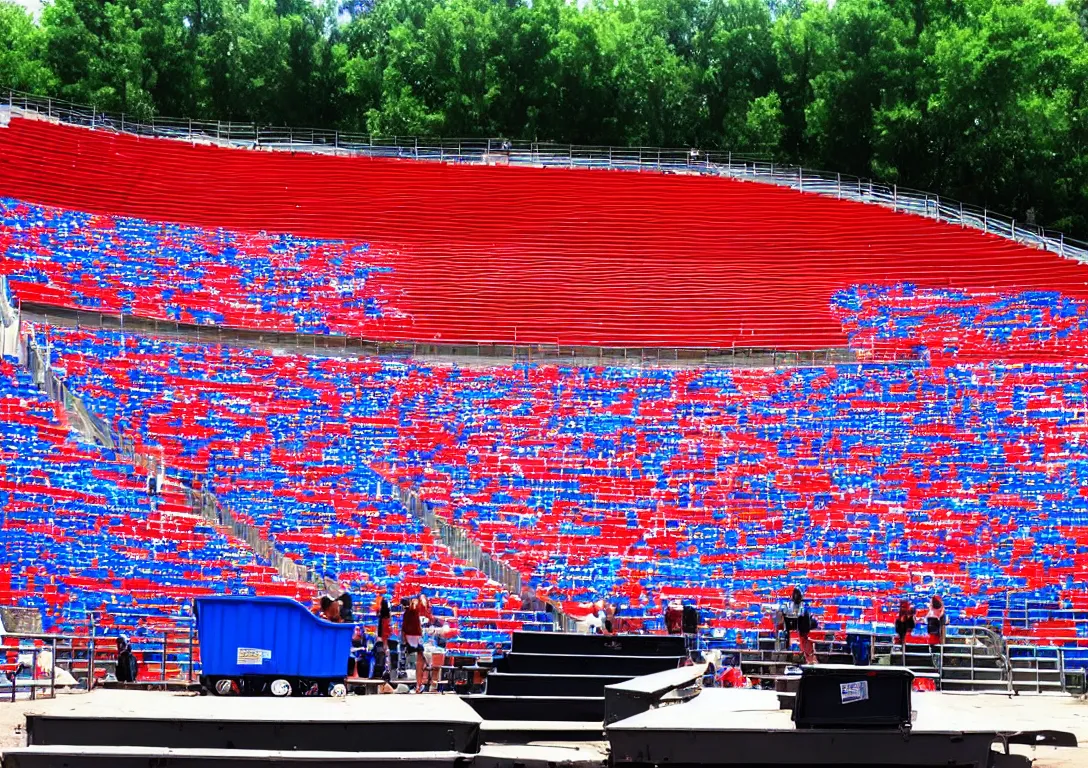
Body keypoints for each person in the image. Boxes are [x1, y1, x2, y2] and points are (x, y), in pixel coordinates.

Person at [401, 594, 431, 693]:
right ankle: (419, 684)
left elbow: (404, 630)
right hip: (415, 639)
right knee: (420, 661)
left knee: (419, 660)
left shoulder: (408, 613)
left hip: (412, 639)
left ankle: (419, 685)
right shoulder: (412, 612)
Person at [781, 587, 817, 665]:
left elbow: (804, 615)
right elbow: (785, 613)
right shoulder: (788, 605)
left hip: (803, 628)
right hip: (793, 628)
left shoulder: (804, 606)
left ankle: (807, 658)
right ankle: (793, 656)